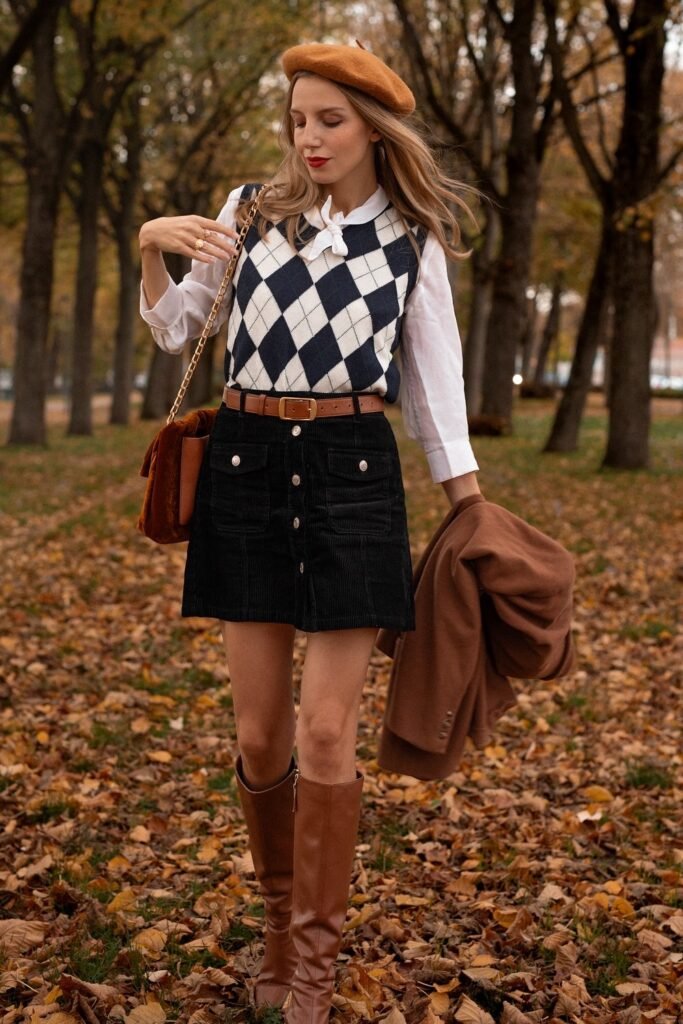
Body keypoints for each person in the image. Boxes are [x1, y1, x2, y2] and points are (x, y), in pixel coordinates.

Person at [138, 41, 480, 1024]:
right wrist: (153, 245)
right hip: (243, 462)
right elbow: (174, 332)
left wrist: (470, 509)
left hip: (352, 474)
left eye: (329, 119)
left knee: (325, 729)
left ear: (373, 124)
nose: (309, 138)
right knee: (256, 734)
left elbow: (436, 392)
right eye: (298, 120)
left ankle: (316, 972)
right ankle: (280, 929)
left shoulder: (410, 239)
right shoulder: (248, 212)